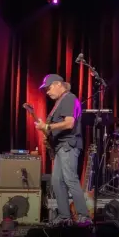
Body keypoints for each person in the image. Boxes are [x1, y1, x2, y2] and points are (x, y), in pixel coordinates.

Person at [35, 74, 91, 226]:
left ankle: (83, 216)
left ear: (58, 84)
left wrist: (47, 127)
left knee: (70, 179)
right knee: (56, 181)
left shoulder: (68, 98)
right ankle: (64, 216)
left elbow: (69, 123)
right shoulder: (62, 101)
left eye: (49, 87)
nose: (47, 91)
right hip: (61, 147)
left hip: (68, 145)